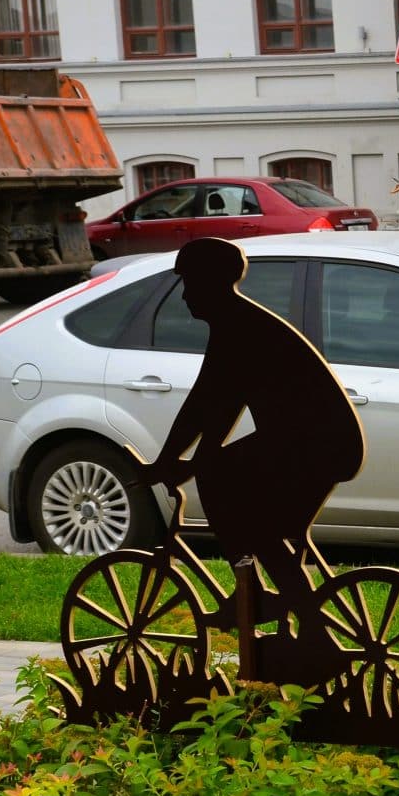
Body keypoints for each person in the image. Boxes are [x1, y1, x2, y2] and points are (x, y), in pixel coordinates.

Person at [144, 237, 366, 632]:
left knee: (242, 509)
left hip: (314, 444)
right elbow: (209, 404)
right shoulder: (238, 323)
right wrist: (174, 459)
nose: (184, 296)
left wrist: (182, 462)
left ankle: (282, 612)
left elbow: (213, 408)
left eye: (189, 284)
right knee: (252, 509)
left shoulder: (240, 328)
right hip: (317, 443)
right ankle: (271, 609)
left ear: (211, 282)